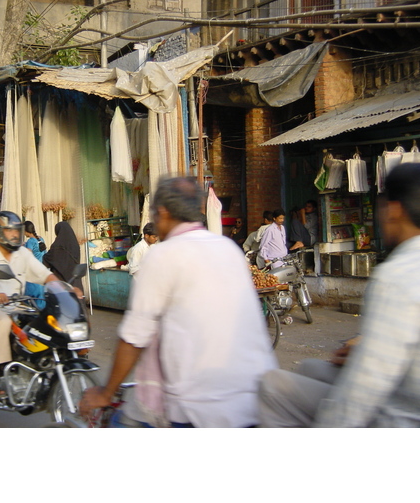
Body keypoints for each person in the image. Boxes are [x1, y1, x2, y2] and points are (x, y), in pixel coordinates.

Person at [79, 176, 277, 427]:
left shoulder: (163, 255)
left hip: (198, 407)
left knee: (122, 422)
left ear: (162, 212)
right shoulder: (228, 248)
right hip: (254, 398)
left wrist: (106, 393)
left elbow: (134, 336)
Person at [258, 163, 420, 427]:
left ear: (394, 211)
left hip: (399, 415)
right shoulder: (271, 230)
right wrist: (365, 343)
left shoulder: (396, 277)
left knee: (271, 384)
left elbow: (367, 385)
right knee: (310, 367)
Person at [0, 211, 59, 397]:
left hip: (15, 305)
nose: (15, 235)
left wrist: (65, 288)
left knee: (43, 324)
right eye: (10, 231)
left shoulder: (23, 254)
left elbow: (44, 274)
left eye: (17, 230)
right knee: (1, 322)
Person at [43, 221, 82, 291]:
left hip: (61, 285)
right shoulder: (75, 245)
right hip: (75, 284)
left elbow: (47, 260)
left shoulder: (57, 246)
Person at [23, 221, 47, 300]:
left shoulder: (30, 241)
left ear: (26, 231)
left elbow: (28, 254)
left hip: (33, 272)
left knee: (31, 297)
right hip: (42, 271)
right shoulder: (41, 239)